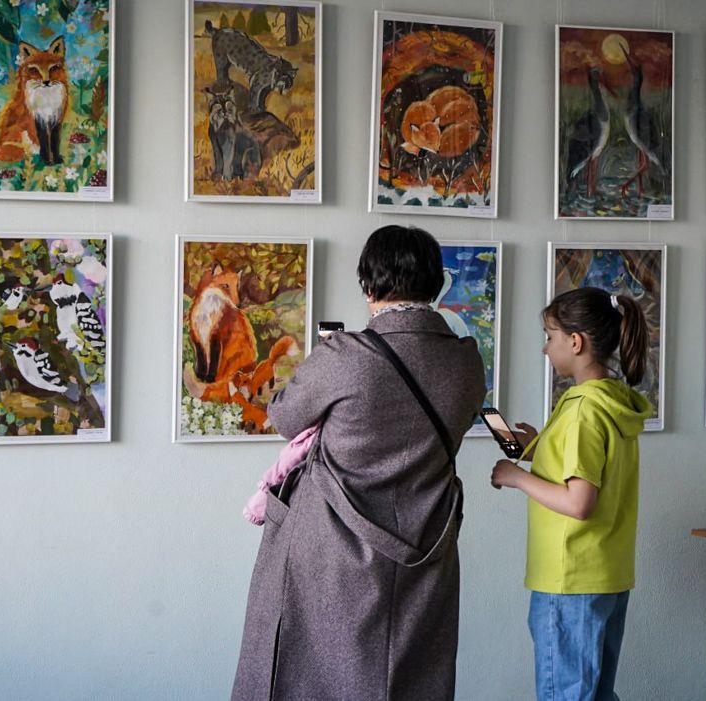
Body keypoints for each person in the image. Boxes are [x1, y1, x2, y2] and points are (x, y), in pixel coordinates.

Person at [232, 225, 486, 700]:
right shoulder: (466, 362)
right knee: (410, 679)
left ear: (369, 286)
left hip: (330, 549)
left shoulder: (345, 355)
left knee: (311, 676)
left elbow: (284, 417)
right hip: (426, 546)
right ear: (435, 285)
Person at [489, 287, 652, 701]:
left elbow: (578, 502)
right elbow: (591, 468)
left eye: (550, 337)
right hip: (606, 574)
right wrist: (538, 448)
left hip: (570, 579)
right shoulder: (610, 402)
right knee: (595, 693)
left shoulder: (581, 411)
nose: (546, 348)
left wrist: (516, 477)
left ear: (575, 342)